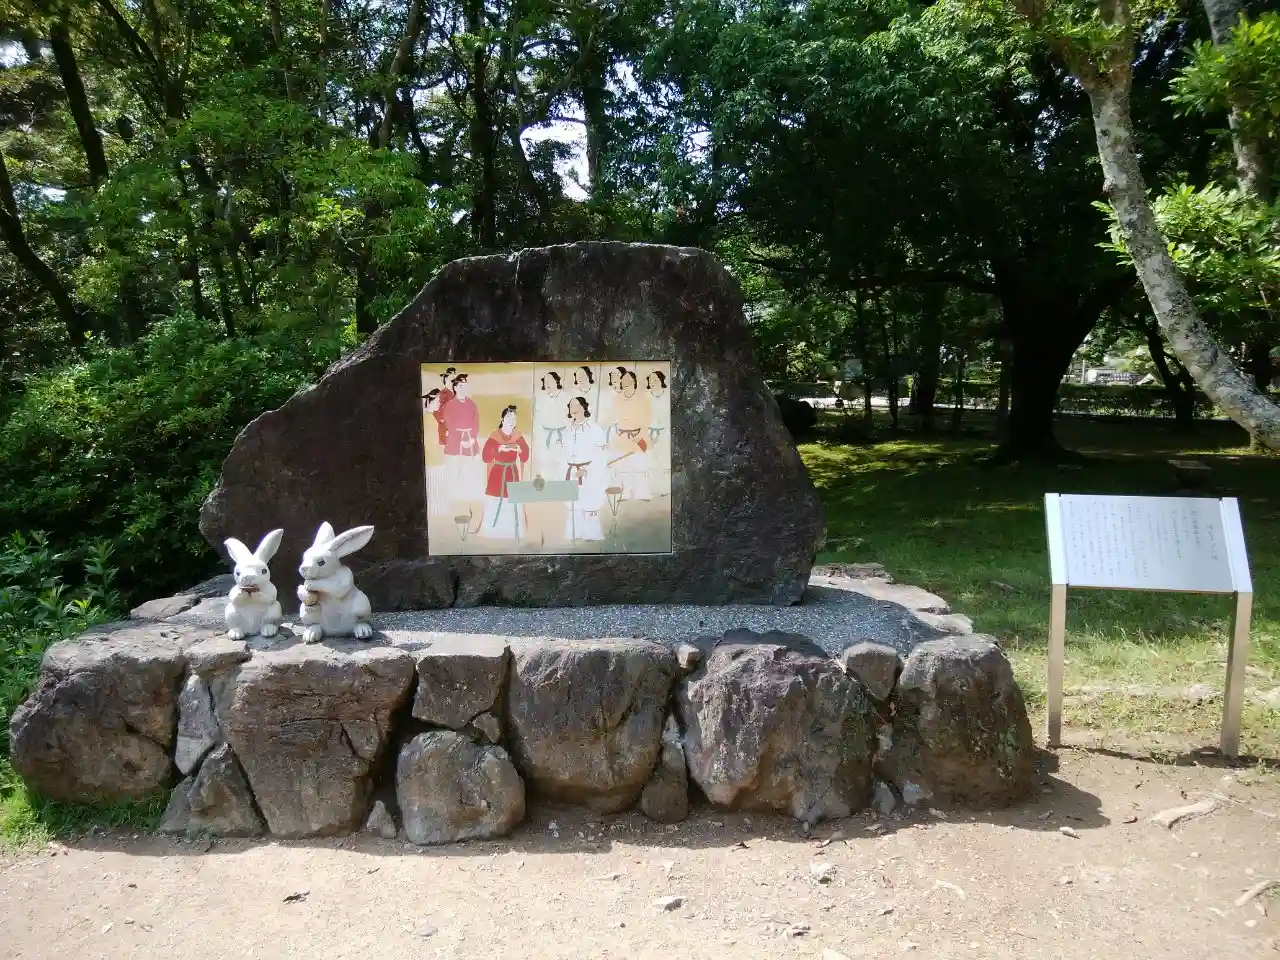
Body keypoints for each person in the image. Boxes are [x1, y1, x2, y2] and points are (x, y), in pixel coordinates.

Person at [479, 405, 530, 539]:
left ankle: (512, 531)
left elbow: (525, 455)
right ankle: (493, 531)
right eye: (508, 418)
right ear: (502, 419)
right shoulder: (494, 436)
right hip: (497, 473)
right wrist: (499, 448)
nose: (512, 421)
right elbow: (485, 456)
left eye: (514, 418)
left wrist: (519, 448)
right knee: (495, 500)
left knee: (512, 502)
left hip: (512, 473)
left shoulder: (518, 436)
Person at [561, 396, 608, 542]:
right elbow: (563, 453)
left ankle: (591, 534)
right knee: (574, 504)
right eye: (571, 406)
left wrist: (588, 470)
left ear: (584, 407)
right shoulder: (567, 430)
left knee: (589, 502)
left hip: (590, 472)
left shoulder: (594, 428)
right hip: (571, 471)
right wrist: (565, 469)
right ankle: (574, 533)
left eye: (577, 405)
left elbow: (602, 454)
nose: (573, 409)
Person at [607, 370, 652, 501]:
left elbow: (648, 418)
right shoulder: (618, 398)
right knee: (623, 467)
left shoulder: (643, 398)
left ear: (634, 382)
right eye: (624, 381)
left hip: (639, 435)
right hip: (622, 436)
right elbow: (612, 416)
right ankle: (625, 493)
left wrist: (641, 434)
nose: (626, 383)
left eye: (629, 380)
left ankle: (642, 493)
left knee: (640, 466)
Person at [441, 373, 482, 504]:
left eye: (465, 386)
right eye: (461, 386)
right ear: (455, 388)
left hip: (470, 441)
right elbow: (449, 424)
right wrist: (461, 440)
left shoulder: (472, 404)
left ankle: (468, 496)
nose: (464, 389)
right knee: (454, 470)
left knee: (469, 469)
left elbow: (476, 422)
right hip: (455, 442)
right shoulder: (449, 405)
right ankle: (454, 498)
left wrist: (472, 438)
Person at [422, 389, 450, 516]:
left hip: (435, 458)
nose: (439, 404)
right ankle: (437, 512)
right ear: (430, 401)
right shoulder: (428, 419)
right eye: (437, 401)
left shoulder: (430, 417)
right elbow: (430, 443)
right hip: (433, 461)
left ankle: (438, 511)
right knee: (435, 486)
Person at [534, 372, 566, 478]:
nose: (547, 383)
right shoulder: (541, 399)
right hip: (545, 436)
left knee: (561, 465)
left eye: (550, 381)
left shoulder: (565, 397)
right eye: (545, 381)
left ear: (557, 381)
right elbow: (537, 420)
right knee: (546, 465)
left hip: (562, 435)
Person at [645, 371, 671, 498]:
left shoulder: (667, 397)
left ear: (661, 381)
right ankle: (653, 488)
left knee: (664, 459)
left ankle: (665, 488)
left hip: (665, 432)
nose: (653, 382)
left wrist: (664, 428)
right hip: (649, 431)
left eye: (655, 379)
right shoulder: (646, 398)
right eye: (650, 380)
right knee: (651, 460)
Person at [431, 367, 456, 446]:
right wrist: (441, 419)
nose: (451, 382)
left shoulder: (458, 394)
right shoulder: (441, 394)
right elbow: (434, 410)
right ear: (445, 380)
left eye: (453, 380)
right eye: (449, 380)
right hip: (444, 425)